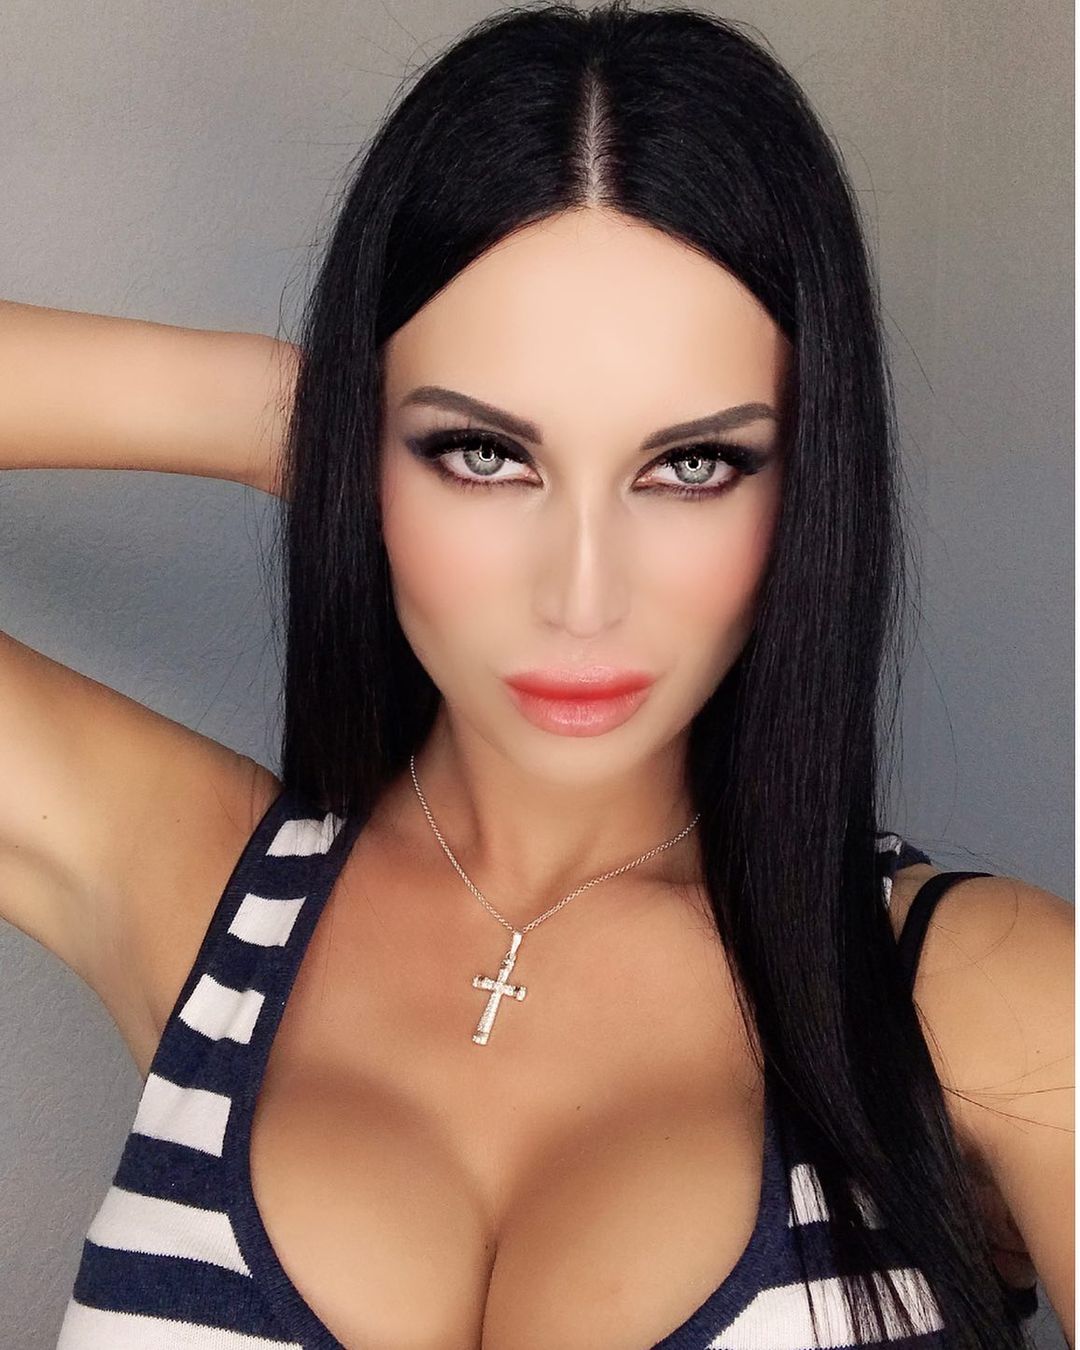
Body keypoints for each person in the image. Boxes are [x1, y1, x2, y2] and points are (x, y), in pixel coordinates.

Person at [1, 3, 1071, 1348]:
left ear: (808, 484)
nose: (580, 596)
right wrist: (299, 418)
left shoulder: (980, 1000)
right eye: (483, 454)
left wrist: (428, 437)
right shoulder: (199, 890)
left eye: (692, 464)